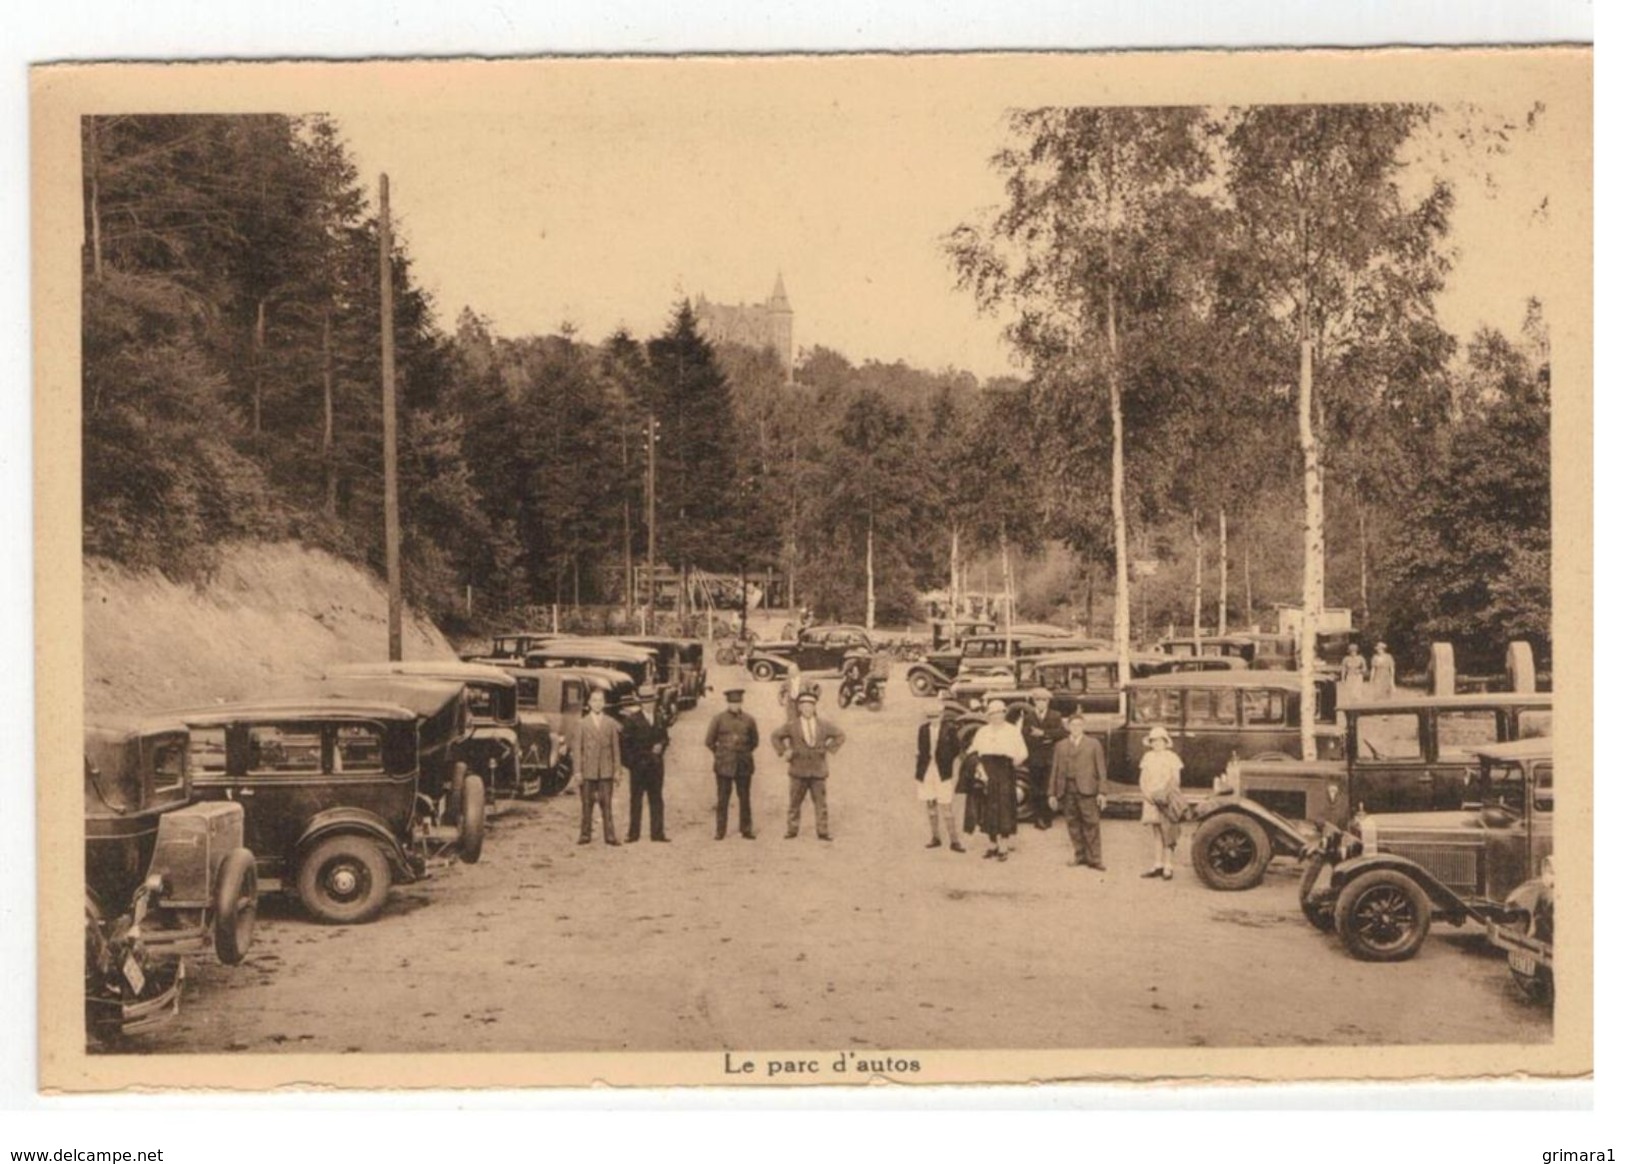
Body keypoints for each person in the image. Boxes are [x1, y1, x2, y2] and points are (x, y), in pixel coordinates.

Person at [771, 690, 846, 841]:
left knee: (821, 803)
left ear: (814, 707)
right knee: (794, 802)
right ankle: (792, 830)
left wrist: (828, 749)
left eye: (810, 706)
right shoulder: (792, 725)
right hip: (798, 771)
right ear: (799, 708)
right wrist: (784, 752)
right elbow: (775, 736)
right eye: (804, 706)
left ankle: (823, 831)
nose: (807, 709)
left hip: (818, 771)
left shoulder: (823, 724)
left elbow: (840, 735)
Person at [969, 698, 1027, 861]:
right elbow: (973, 751)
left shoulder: (1012, 731)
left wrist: (1013, 764)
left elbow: (1023, 751)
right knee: (988, 808)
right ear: (989, 716)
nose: (997, 717)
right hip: (987, 772)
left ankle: (1003, 846)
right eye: (993, 714)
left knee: (1004, 808)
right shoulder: (983, 732)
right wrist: (979, 769)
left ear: (1004, 714)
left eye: (1000, 713)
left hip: (1005, 772)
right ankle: (992, 844)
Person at [1049, 712, 1108, 870]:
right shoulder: (1060, 745)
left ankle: (1095, 859)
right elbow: (1054, 770)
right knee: (1073, 824)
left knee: (1091, 823)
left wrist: (1102, 792)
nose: (1076, 728)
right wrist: (1052, 793)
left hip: (1087, 789)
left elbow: (1101, 770)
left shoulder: (1093, 744)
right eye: (1073, 725)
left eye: (1079, 725)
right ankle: (1079, 856)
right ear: (1068, 727)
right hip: (1067, 789)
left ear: (1084, 726)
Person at [570, 687, 623, 846]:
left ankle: (610, 835)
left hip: (606, 770)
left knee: (607, 805)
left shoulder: (610, 723)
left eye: (600, 700)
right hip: (588, 771)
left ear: (604, 703)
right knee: (587, 804)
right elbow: (577, 749)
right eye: (594, 700)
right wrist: (577, 771)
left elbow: (616, 749)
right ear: (588, 703)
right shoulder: (582, 723)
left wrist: (617, 770)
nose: (597, 703)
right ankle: (585, 835)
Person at [704, 688, 760, 840]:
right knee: (723, 799)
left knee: (745, 798)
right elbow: (709, 741)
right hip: (724, 766)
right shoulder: (718, 719)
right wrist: (721, 754)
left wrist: (743, 753)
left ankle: (746, 829)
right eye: (732, 703)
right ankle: (720, 831)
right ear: (727, 703)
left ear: (741, 703)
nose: (735, 705)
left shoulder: (749, 720)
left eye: (738, 702)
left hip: (743, 765)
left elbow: (754, 742)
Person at [915, 702, 965, 852]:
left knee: (946, 805)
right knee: (930, 805)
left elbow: (956, 749)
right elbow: (921, 749)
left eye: (936, 716)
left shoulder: (949, 729)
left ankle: (954, 841)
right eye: (930, 717)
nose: (933, 720)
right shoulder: (923, 730)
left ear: (941, 715)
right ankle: (935, 837)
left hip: (942, 772)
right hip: (927, 771)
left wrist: (945, 760)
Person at [1138, 724, 1184, 879]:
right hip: (1151, 800)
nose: (1157, 744)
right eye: (1154, 741)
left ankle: (1168, 866)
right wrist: (1147, 794)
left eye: (1160, 741)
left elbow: (1175, 780)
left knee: (1168, 832)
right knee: (1156, 831)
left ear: (1165, 742)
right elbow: (1143, 779)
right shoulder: (1148, 757)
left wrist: (1163, 795)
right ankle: (1157, 864)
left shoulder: (1172, 757)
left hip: (1166, 800)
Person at [621, 701, 670, 843]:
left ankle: (657, 833)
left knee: (657, 799)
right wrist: (632, 764)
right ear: (641, 704)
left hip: (656, 766)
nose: (649, 705)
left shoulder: (659, 717)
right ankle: (633, 834)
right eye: (646, 702)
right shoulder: (632, 720)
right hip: (639, 767)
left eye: (652, 702)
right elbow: (624, 745)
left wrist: (661, 745)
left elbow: (665, 737)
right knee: (636, 799)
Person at [1021, 689, 1066, 830]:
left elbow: (1062, 733)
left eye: (1044, 700)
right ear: (1034, 702)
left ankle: (1047, 817)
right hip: (1034, 758)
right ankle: (1038, 817)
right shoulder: (1028, 717)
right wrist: (1045, 739)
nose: (1041, 703)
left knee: (1048, 788)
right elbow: (1025, 736)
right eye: (1038, 700)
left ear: (1048, 702)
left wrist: (1044, 734)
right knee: (1035, 788)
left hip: (1049, 758)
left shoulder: (1055, 715)